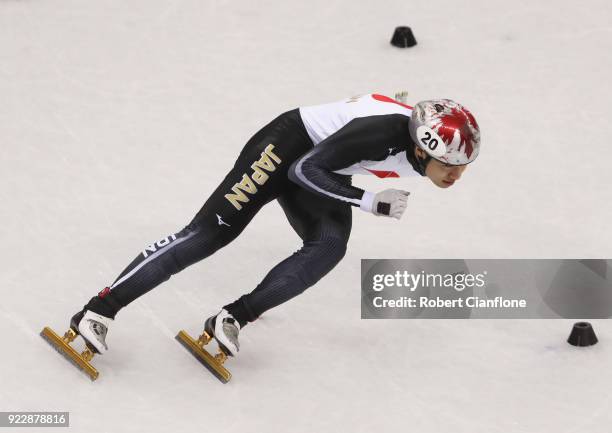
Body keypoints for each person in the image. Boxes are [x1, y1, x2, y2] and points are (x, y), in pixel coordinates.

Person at [70, 93, 481, 357]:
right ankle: (98, 310)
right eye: (451, 166)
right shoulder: (382, 135)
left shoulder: (415, 142)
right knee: (210, 234)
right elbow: (302, 170)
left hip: (325, 162)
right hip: (287, 147)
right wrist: (368, 200)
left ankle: (232, 317)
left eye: (463, 168)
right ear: (424, 147)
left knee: (328, 246)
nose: (455, 176)